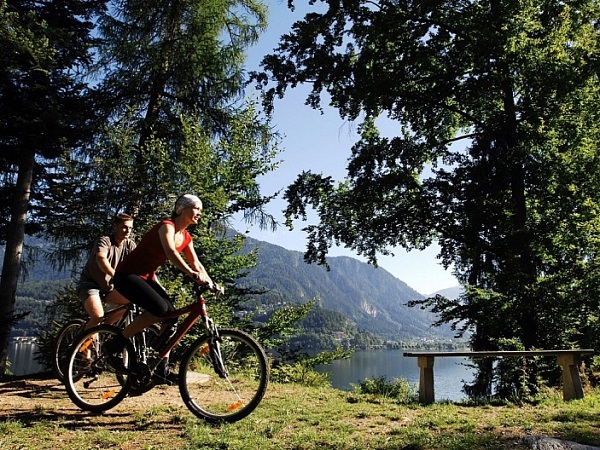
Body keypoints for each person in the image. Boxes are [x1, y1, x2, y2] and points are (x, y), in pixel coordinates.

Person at [109, 194, 215, 384]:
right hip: (127, 275)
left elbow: (197, 263)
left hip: (147, 277)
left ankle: (161, 370)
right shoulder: (167, 226)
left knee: (171, 316)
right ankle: (116, 343)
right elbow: (171, 252)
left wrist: (211, 283)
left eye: (201, 209)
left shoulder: (186, 237)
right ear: (181, 209)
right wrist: (191, 273)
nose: (199, 213)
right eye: (196, 208)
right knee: (159, 309)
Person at [77, 213, 136, 330]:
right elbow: (101, 258)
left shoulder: (130, 245)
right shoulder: (105, 241)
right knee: (97, 316)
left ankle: (106, 329)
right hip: (90, 285)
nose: (127, 231)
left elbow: (140, 265)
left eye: (130, 228)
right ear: (115, 226)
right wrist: (115, 275)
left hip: (109, 288)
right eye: (124, 227)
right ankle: (83, 345)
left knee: (131, 300)